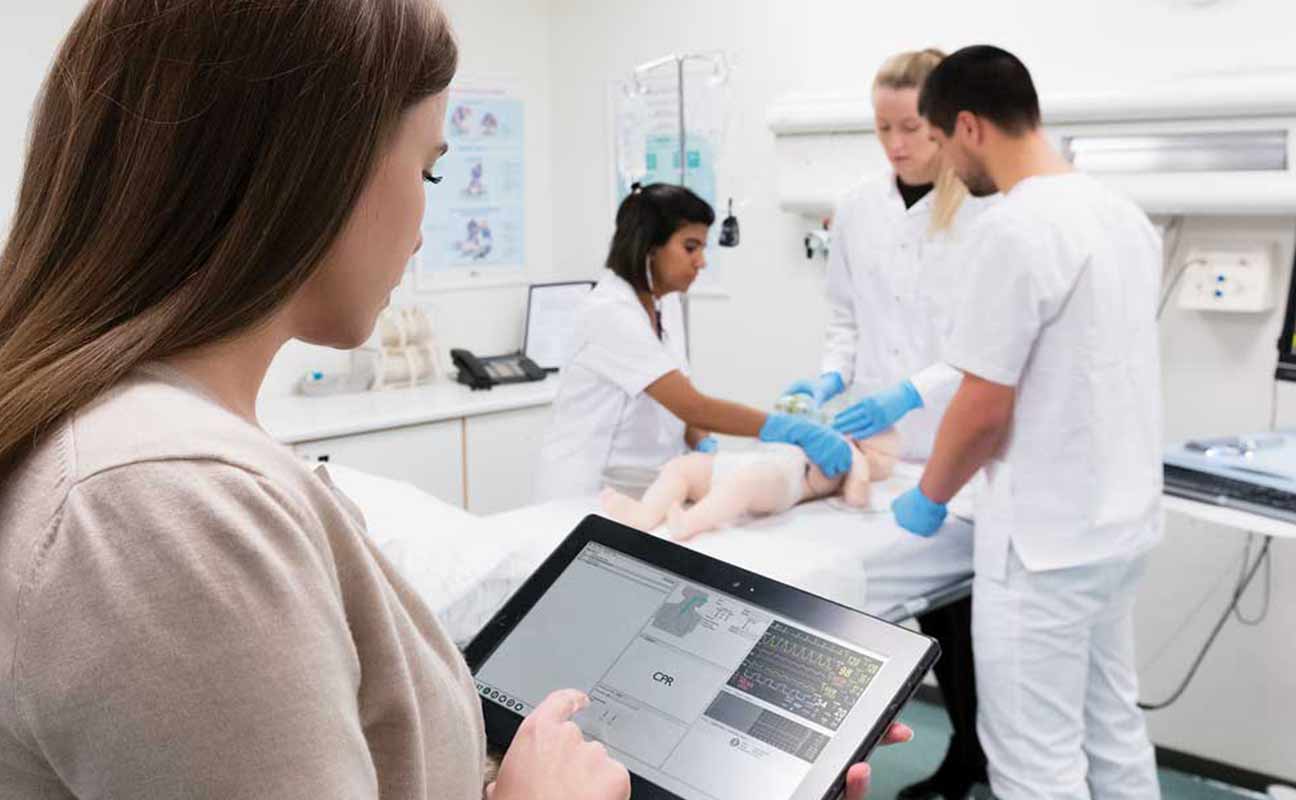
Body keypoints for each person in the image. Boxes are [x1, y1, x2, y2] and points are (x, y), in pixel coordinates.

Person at [0, 2, 903, 798]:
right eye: (429, 171)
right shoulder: (166, 506)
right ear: (314, 170)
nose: (427, 222)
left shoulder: (148, 459)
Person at [893, 45, 1164, 799]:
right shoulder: (1122, 217)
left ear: (970, 128)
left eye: (941, 143)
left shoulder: (1014, 229)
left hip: (1043, 547)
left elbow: (984, 407)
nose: (946, 164)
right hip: (1118, 530)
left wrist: (931, 497)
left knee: (1032, 762)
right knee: (1113, 732)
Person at [786, 49, 992, 800]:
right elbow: (845, 317)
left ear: (943, 124)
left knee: (973, 630)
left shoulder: (982, 210)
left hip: (962, 448)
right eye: (882, 128)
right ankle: (964, 758)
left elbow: (983, 344)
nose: (896, 143)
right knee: (936, 625)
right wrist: (832, 376)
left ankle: (974, 756)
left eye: (910, 127)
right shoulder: (859, 206)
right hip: (883, 447)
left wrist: (911, 391)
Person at [536, 182, 853, 501]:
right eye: (690, 247)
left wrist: (704, 444)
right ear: (649, 248)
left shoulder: (666, 301)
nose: (701, 261)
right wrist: (791, 429)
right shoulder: (609, 313)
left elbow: (677, 399)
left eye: (703, 248)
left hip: (648, 487)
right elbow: (691, 405)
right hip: (586, 493)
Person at [602, 429, 900, 540]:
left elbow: (857, 498)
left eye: (866, 446)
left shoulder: (847, 464)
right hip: (737, 461)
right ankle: (645, 514)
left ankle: (689, 523)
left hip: (784, 480)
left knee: (746, 482)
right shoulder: (821, 438)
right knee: (682, 467)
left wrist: (855, 457)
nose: (852, 439)